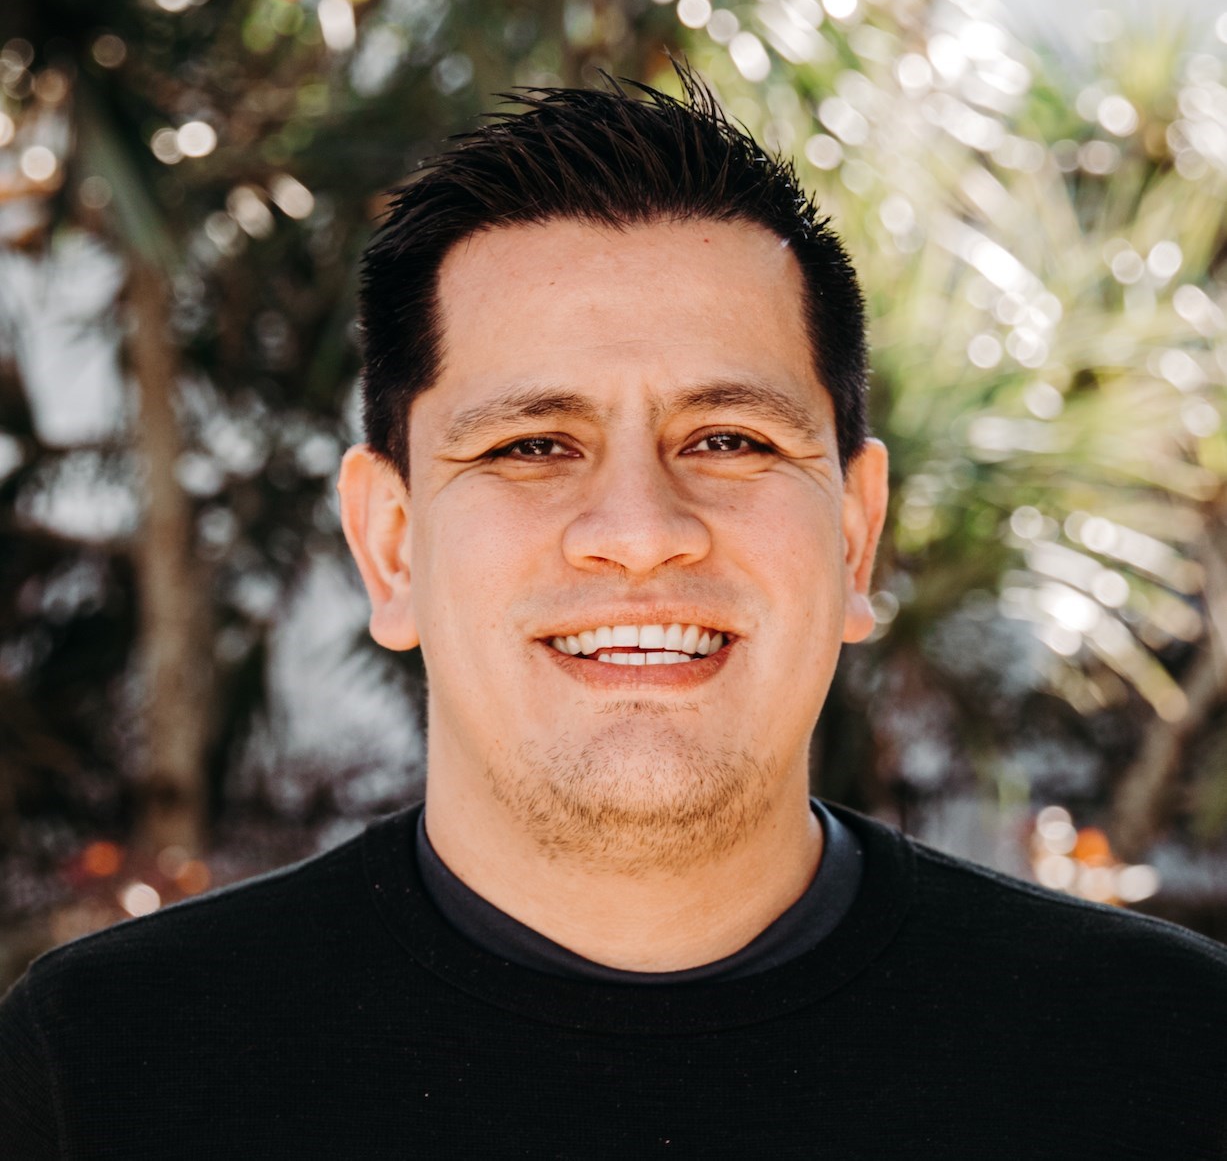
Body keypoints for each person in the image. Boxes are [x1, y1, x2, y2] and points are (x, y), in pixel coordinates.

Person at [2, 71, 1225, 1160]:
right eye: (533, 444)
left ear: (854, 537)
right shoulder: (102, 1075)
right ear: (393, 547)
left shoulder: (1170, 1061)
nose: (640, 530)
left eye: (730, 439)